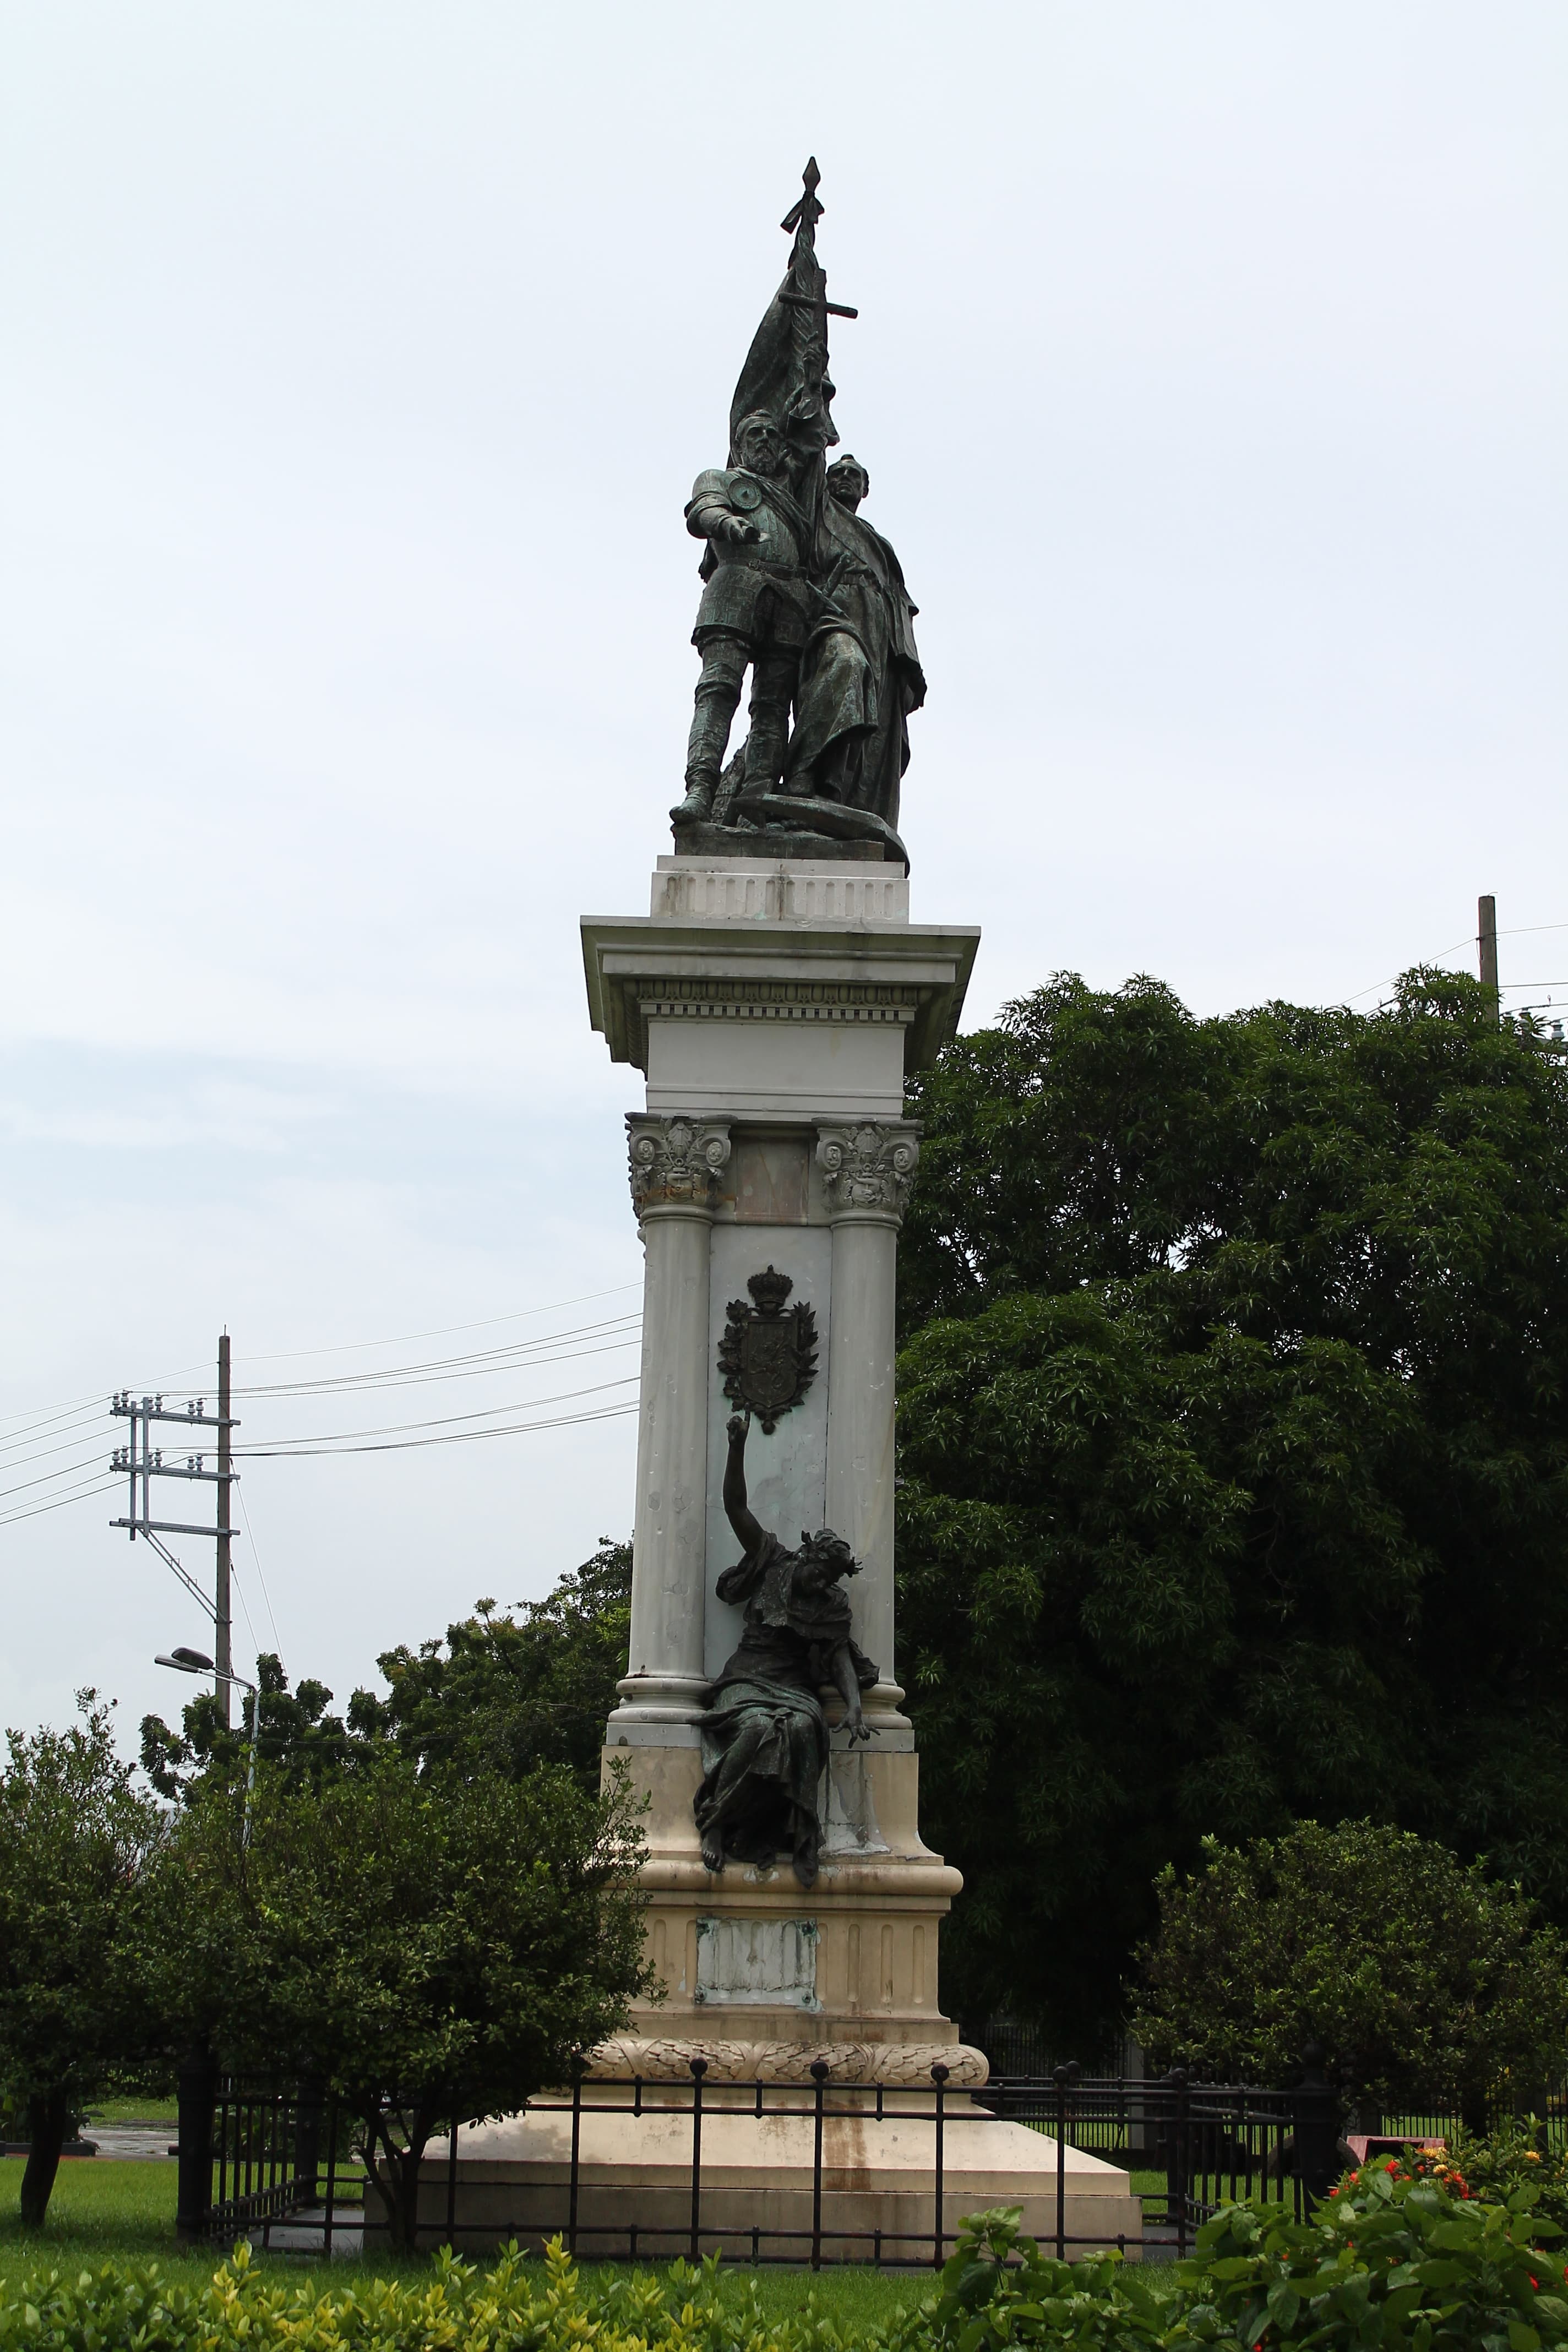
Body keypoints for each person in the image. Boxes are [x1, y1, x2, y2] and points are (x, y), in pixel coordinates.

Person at [694, 1412, 875, 1890]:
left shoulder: (830, 1603)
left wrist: (855, 1707)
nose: (821, 1584)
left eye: (830, 1580)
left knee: (799, 1729)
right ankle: (716, 1822)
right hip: (746, 1679)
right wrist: (737, 1448)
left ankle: (801, 1836)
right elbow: (735, 1507)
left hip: (794, 1687)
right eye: (819, 1572)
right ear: (807, 1556)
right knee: (756, 1728)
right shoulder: (772, 1559)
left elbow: (838, 1656)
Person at [669, 412, 820, 826]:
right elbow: (703, 512)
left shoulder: (793, 497)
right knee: (717, 692)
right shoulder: (718, 478)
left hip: (789, 599)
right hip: (734, 588)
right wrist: (729, 524)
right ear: (739, 443)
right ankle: (700, 791)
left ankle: (759, 798)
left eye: (773, 435)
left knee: (773, 708)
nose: (766, 440)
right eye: (756, 433)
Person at [782, 455, 925, 832]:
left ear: (865, 488)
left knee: (874, 722)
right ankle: (803, 773)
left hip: (879, 633)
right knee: (847, 666)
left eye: (854, 475)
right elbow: (805, 461)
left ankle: (839, 797)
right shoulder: (817, 515)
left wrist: (908, 664)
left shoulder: (880, 546)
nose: (845, 479)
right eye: (838, 473)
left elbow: (900, 600)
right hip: (832, 615)